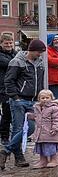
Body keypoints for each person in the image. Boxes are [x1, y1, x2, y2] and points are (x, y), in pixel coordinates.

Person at [0, 39, 47, 169]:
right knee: (18, 129)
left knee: (31, 128)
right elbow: (8, 81)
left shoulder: (40, 63)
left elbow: (40, 81)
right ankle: (19, 157)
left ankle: (5, 151)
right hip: (19, 100)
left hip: (33, 101)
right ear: (32, 50)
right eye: (39, 52)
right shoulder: (17, 62)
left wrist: (40, 97)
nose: (40, 54)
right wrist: (15, 98)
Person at [30, 89, 58, 169]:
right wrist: (30, 116)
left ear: (51, 98)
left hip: (49, 132)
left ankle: (54, 160)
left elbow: (57, 119)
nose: (45, 99)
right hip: (40, 132)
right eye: (43, 98)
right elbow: (37, 117)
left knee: (50, 146)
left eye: (47, 98)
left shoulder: (54, 108)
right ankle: (43, 160)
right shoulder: (37, 107)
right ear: (39, 98)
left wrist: (55, 128)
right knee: (41, 147)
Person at [0, 34, 18, 145]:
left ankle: (16, 135)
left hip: (15, 87)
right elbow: (9, 64)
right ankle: (4, 136)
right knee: (6, 113)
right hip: (3, 87)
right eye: (6, 43)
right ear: (1, 44)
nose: (9, 45)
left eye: (10, 43)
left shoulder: (15, 54)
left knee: (16, 113)